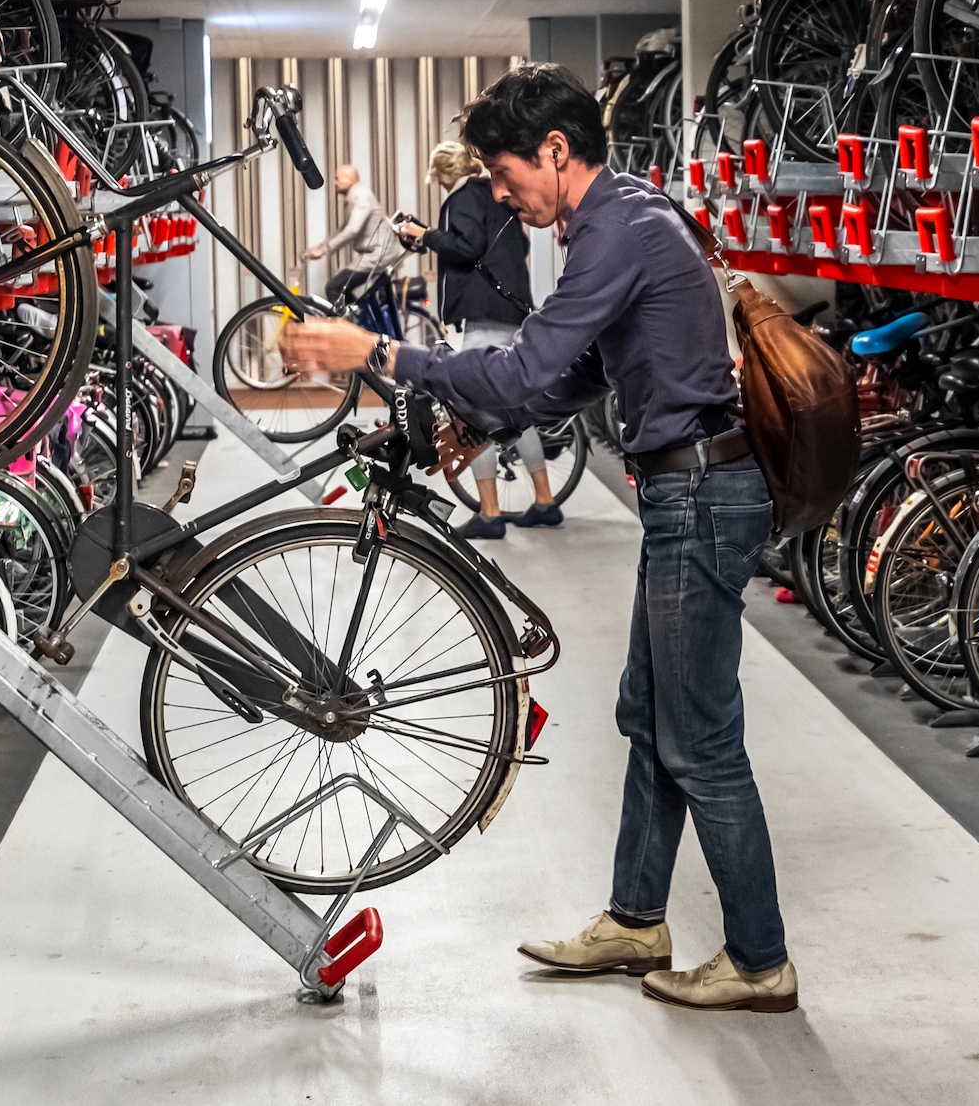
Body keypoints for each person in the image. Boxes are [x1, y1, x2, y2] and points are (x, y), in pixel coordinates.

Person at [277, 63, 796, 1014]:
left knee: (702, 738)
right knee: (653, 717)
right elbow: (583, 370)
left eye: (505, 175)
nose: (500, 197)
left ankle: (760, 962)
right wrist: (483, 425)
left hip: (704, 495)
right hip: (686, 492)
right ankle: (638, 919)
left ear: (556, 152)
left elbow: (528, 367)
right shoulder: (618, 218)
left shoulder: (621, 229)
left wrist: (380, 352)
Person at [397, 140, 559, 539]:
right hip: (511, 312)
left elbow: (466, 247)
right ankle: (544, 501)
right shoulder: (496, 196)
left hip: (485, 315)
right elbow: (507, 245)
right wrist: (429, 238)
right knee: (513, 410)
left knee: (474, 413)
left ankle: (489, 512)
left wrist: (425, 232)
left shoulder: (463, 197)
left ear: (442, 174)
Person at [306, 163, 405, 304]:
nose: (335, 182)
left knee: (334, 287)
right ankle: (357, 319)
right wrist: (321, 246)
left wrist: (324, 250)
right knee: (341, 289)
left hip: (378, 255)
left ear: (348, 180)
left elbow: (352, 229)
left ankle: (353, 323)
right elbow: (344, 228)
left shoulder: (360, 196)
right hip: (376, 254)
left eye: (337, 178)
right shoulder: (356, 196)